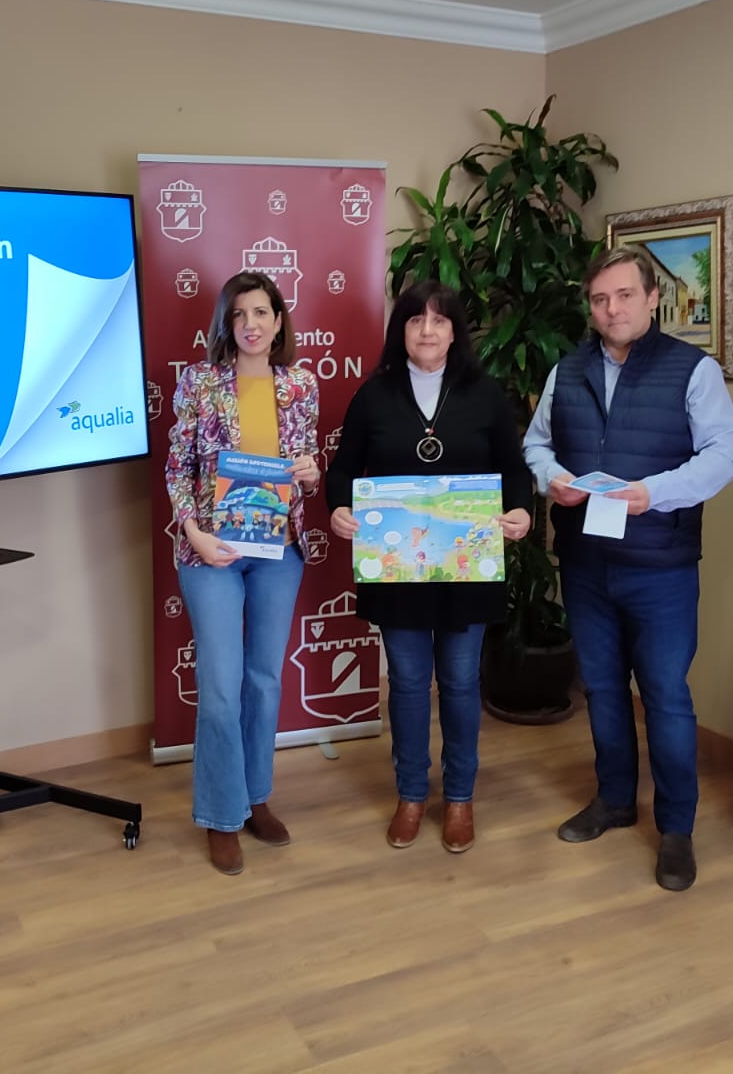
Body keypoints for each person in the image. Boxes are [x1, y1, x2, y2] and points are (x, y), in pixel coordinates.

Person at [524, 244, 733, 891]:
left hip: (661, 566)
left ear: (652, 299)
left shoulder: (692, 370)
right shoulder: (567, 371)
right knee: (602, 689)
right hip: (587, 562)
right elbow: (535, 443)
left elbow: (724, 455)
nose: (611, 308)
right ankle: (615, 800)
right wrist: (553, 479)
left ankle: (676, 829)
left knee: (668, 698)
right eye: (599, 299)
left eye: (623, 295)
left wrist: (655, 492)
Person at [327, 282, 531, 853]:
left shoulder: (485, 394)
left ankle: (460, 797)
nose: (427, 330)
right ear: (401, 329)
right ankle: (412, 794)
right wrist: (340, 509)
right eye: (416, 319)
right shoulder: (374, 396)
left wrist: (519, 510)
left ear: (455, 332)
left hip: (466, 569)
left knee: (463, 683)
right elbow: (343, 469)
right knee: (411, 684)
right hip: (398, 572)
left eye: (439, 321)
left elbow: (513, 470)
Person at [165, 271, 321, 876]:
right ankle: (220, 815)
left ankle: (257, 798)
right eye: (240, 315)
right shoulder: (200, 383)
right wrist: (193, 532)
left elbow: (304, 464)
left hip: (277, 546)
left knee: (264, 681)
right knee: (223, 685)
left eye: (262, 312)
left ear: (279, 320)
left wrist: (310, 473)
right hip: (212, 549)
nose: (252, 324)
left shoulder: (301, 386)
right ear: (226, 325)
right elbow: (178, 468)